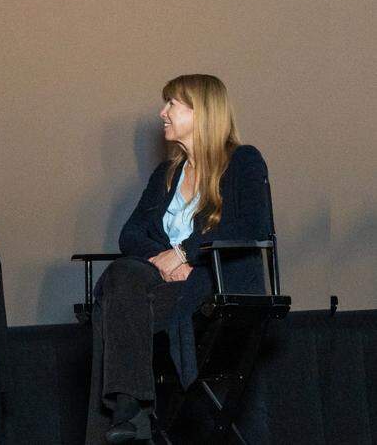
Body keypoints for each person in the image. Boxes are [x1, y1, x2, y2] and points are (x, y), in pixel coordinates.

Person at [85, 75, 272, 443]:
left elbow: (252, 225)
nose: (163, 112)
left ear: (201, 111)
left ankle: (129, 416)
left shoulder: (243, 161)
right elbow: (130, 235)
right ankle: (130, 410)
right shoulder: (167, 174)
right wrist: (164, 261)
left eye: (172, 103)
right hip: (159, 284)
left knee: (115, 305)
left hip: (213, 286)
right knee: (122, 275)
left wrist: (186, 253)